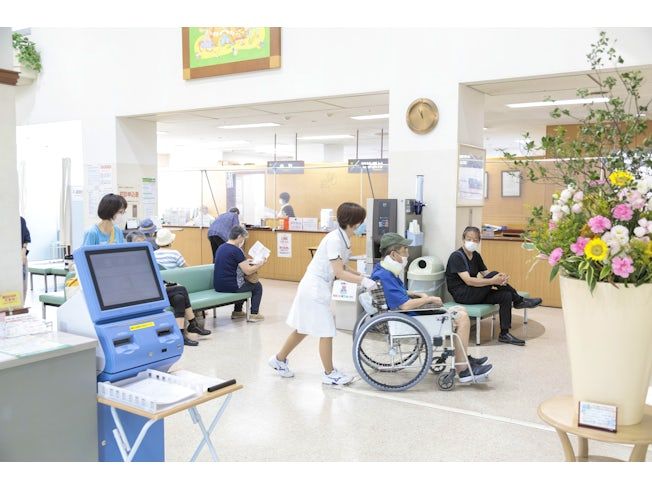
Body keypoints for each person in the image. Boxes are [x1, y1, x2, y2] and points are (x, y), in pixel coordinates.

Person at [268, 202, 376, 385]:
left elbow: (342, 266)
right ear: (355, 223)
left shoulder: (343, 238)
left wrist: (361, 275)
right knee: (326, 330)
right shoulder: (334, 240)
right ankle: (329, 373)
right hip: (313, 288)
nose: (363, 225)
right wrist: (363, 282)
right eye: (362, 221)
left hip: (318, 287)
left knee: (303, 328)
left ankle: (279, 359)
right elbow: (339, 272)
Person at [371, 233, 493, 382]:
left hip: (408, 315)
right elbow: (404, 305)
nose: (407, 254)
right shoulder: (386, 275)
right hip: (408, 317)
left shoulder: (383, 270)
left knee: (460, 310)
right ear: (393, 254)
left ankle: (463, 358)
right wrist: (428, 299)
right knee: (462, 317)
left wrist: (414, 293)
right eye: (404, 250)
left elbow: (397, 293)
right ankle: (462, 369)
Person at [445, 226, 542, 346]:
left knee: (505, 295)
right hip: (463, 295)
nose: (472, 242)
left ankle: (504, 334)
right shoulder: (456, 256)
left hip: (474, 292)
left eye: (475, 240)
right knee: (494, 274)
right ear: (463, 239)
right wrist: (493, 280)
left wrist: (501, 279)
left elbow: (486, 274)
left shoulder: (476, 256)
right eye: (469, 239)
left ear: (479, 241)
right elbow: (468, 281)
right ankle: (519, 300)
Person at [131, 231, 209, 346]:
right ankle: (193, 323)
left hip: (157, 289)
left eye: (143, 242)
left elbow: (155, 277)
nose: (142, 244)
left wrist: (166, 284)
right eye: (138, 242)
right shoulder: (133, 261)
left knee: (179, 298)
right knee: (181, 289)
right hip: (148, 293)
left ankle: (181, 335)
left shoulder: (149, 256)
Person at [213, 225, 266, 322]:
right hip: (231, 286)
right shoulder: (236, 250)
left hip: (218, 286)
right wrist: (260, 264)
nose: (243, 241)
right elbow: (248, 271)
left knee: (242, 282)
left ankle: (238, 312)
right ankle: (254, 314)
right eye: (243, 238)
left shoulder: (221, 247)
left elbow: (232, 262)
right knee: (257, 286)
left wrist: (247, 261)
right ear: (239, 236)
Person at [20, 216, 31, 303]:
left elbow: (26, 239)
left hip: (21, 256)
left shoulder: (21, 220)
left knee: (23, 285)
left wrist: (23, 252)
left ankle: (21, 305)